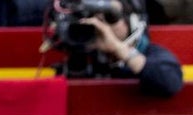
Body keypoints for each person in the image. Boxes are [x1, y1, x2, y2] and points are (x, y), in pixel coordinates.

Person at [48, 0, 184, 97]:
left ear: (131, 22)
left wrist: (119, 49)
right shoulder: (73, 55)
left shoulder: (150, 53)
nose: (101, 25)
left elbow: (170, 82)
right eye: (92, 17)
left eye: (110, 17)